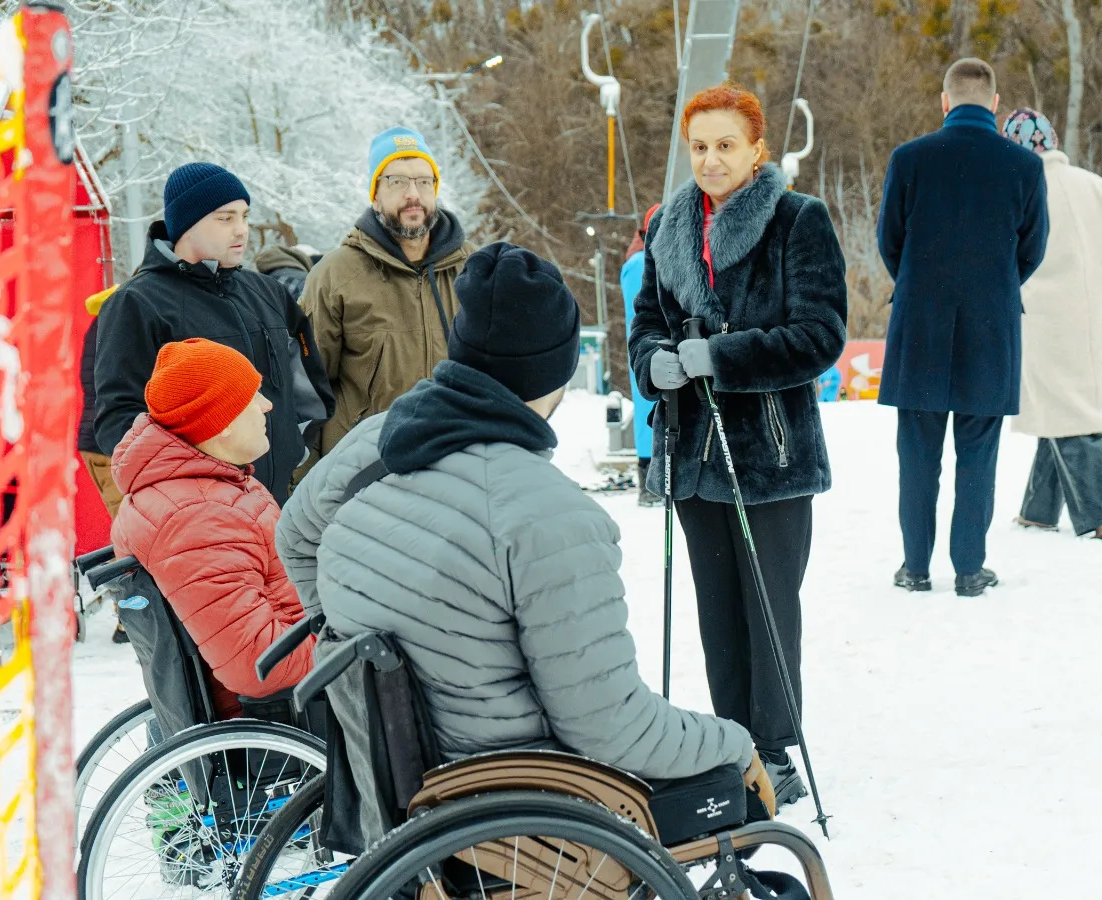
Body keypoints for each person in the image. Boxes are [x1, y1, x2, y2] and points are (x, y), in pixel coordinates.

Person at [278, 243, 773, 811]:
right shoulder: (550, 517)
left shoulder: (375, 441)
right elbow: (609, 726)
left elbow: (293, 537)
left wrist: (339, 631)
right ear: (552, 373)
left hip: (391, 780)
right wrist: (733, 742)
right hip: (517, 803)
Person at [628, 84, 849, 808]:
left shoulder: (797, 221)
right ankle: (733, 743)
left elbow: (819, 338)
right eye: (699, 146)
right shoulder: (669, 228)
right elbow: (645, 325)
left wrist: (722, 357)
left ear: (757, 149)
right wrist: (654, 361)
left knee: (767, 605)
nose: (711, 159)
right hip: (693, 451)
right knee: (717, 607)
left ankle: (776, 747)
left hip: (770, 456)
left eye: (725, 145)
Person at [876, 58, 1049, 596]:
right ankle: (970, 569)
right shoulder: (1024, 167)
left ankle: (914, 567)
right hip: (991, 327)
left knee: (918, 454)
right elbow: (1032, 248)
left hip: (920, 324)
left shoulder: (909, 160)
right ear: (995, 104)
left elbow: (889, 242)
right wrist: (993, 286)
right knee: (979, 451)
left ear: (945, 102)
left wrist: (922, 285)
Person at [94, 162, 334, 505]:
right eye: (225, 218)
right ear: (187, 226)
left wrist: (296, 456)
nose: (241, 230)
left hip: (283, 502)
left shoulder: (267, 292)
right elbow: (118, 421)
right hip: (204, 513)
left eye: (244, 216)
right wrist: (190, 487)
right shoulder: (137, 302)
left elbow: (306, 391)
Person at [110, 338, 314, 718]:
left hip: (301, 658)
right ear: (221, 423)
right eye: (252, 395)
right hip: (289, 707)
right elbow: (257, 662)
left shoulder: (212, 489)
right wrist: (345, 642)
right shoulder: (197, 517)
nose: (267, 405)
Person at [298, 127, 470, 469]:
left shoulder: (473, 272)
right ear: (375, 195)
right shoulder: (335, 276)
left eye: (424, 182)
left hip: (453, 465)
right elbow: (307, 392)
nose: (413, 194)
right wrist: (305, 481)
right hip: (362, 469)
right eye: (397, 181)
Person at [1002, 108, 1102, 541]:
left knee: (1067, 411)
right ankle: (1037, 511)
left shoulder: (1021, 189)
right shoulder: (1093, 184)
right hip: (1095, 315)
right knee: (1063, 408)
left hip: (1045, 322)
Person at [620, 202, 663, 507]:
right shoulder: (640, 263)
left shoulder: (644, 258)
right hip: (648, 348)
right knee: (649, 407)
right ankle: (649, 480)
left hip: (651, 345)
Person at [78, 283, 124, 520]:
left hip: (102, 440)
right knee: (133, 537)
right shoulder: (120, 318)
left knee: (130, 531)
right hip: (110, 442)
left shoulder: (106, 318)